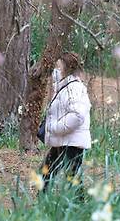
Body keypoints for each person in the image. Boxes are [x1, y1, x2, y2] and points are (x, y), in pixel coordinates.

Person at [41, 52, 91, 191]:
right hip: (64, 141)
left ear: (67, 68)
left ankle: (78, 208)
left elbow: (77, 115)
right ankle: (43, 204)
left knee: (72, 179)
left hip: (71, 143)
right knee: (48, 173)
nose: (55, 70)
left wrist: (56, 127)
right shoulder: (65, 87)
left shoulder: (73, 88)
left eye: (58, 66)